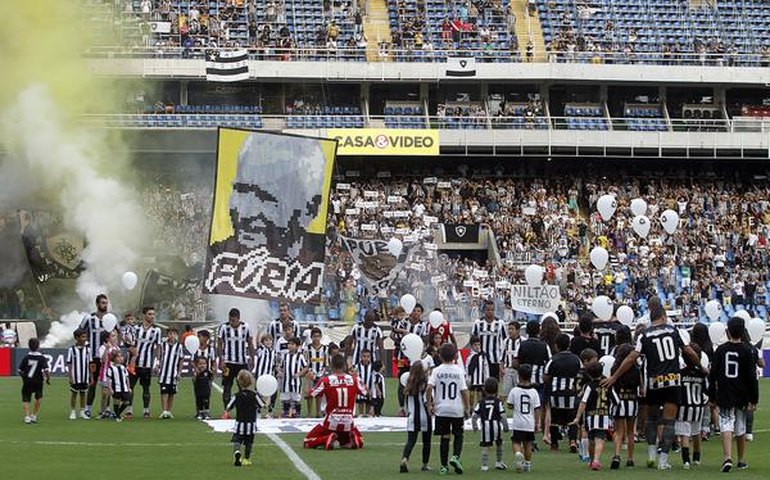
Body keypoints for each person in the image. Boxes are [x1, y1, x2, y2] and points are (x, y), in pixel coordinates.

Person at [604, 297, 704, 470]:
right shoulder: (674, 331)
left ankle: (651, 454)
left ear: (651, 319)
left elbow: (631, 358)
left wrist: (614, 377)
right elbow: (689, 352)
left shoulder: (644, 335)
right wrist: (701, 366)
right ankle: (663, 460)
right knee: (669, 422)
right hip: (673, 380)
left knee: (651, 420)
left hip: (654, 382)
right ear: (664, 317)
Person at [708, 317, 759, 472]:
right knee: (740, 426)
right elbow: (752, 376)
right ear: (743, 331)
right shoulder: (747, 350)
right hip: (742, 393)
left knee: (726, 423)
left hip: (725, 392)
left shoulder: (721, 350)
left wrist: (711, 396)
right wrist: (754, 398)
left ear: (727, 331)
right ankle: (742, 459)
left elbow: (713, 374)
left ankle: (727, 457)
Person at [304, 354, 367, 450]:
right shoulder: (354, 380)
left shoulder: (326, 380)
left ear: (332, 366)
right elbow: (367, 393)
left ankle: (326, 439)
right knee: (358, 439)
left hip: (331, 421)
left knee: (307, 441)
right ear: (345, 366)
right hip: (348, 421)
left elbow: (308, 395)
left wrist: (308, 380)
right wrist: (358, 379)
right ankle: (353, 440)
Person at [426, 343, 470, 475]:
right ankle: (456, 456)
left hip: (441, 409)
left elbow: (429, 388)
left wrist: (430, 404)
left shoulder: (437, 370)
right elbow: (464, 390)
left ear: (439, 356)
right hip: (456, 408)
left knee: (444, 437)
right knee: (458, 435)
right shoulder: (458, 371)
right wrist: (467, 407)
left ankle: (444, 466)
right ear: (455, 355)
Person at [543, 333, 581, 453]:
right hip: (571, 392)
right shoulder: (576, 359)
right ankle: (573, 441)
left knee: (554, 419)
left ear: (557, 346)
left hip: (556, 393)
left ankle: (554, 444)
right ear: (569, 345)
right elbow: (581, 373)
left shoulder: (553, 360)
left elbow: (545, 376)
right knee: (572, 418)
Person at [572, 362, 612, 471]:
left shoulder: (588, 386)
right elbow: (615, 401)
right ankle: (596, 460)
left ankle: (591, 460)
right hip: (603, 416)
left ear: (589, 375)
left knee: (591, 440)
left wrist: (577, 416)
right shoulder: (607, 384)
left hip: (590, 416)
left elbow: (583, 402)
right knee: (600, 439)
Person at [218, 308, 255, 415]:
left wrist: (253, 358)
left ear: (238, 318)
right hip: (228, 363)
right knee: (227, 387)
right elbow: (220, 344)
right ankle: (226, 411)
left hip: (241, 363)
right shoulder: (224, 327)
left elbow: (250, 343)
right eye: (230, 319)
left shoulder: (245, 327)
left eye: (233, 320)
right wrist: (221, 359)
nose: (231, 322)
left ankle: (243, 410)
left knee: (243, 388)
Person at [609, 343, 640, 469]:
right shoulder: (636, 370)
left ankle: (616, 455)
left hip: (619, 401)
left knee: (619, 431)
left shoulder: (614, 368)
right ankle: (630, 459)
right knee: (631, 432)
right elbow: (640, 387)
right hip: (632, 400)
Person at [676, 343, 706, 470]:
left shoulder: (680, 374)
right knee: (696, 433)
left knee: (684, 434)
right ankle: (697, 457)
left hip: (684, 407)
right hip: (697, 408)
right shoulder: (701, 374)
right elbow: (705, 390)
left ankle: (686, 460)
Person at [226, 370, 265, 467]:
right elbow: (261, 405)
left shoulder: (236, 396)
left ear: (239, 382)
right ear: (251, 382)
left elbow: (228, 407)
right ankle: (246, 459)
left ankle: (237, 452)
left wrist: (228, 410)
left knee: (237, 440)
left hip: (240, 423)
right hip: (251, 424)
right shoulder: (254, 395)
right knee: (249, 442)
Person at [79, 294, 109, 418]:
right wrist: (84, 345)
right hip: (93, 357)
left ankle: (106, 410)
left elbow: (118, 333)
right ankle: (88, 409)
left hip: (107, 358)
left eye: (106, 303)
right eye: (103, 303)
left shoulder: (110, 318)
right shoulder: (89, 318)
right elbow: (79, 332)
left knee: (107, 384)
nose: (105, 305)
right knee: (92, 383)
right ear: (97, 304)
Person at [507, 364, 540, 472]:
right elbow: (537, 409)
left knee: (516, 442)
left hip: (518, 422)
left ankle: (517, 453)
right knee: (528, 444)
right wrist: (537, 423)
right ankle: (527, 464)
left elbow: (509, 405)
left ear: (519, 376)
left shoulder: (515, 390)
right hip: (529, 422)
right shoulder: (534, 392)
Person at [400, 362, 432, 473]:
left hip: (412, 416)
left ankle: (405, 459)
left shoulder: (408, 383)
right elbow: (427, 400)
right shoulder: (426, 383)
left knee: (411, 441)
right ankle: (425, 464)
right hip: (425, 417)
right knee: (426, 441)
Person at [131, 306, 162, 418]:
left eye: (153, 314)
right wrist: (131, 358)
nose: (152, 316)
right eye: (149, 314)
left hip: (147, 364)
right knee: (130, 387)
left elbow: (158, 346)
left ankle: (146, 410)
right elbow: (131, 345)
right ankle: (129, 410)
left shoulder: (156, 330)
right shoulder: (136, 329)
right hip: (134, 364)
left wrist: (157, 361)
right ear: (144, 315)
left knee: (146, 388)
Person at [472, 377, 508, 471]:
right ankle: (499, 462)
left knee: (485, 447)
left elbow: (474, 416)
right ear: (496, 390)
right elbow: (503, 415)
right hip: (496, 426)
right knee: (499, 444)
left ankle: (484, 465)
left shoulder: (481, 402)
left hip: (485, 427)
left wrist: (474, 425)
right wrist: (505, 426)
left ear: (484, 389)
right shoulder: (498, 402)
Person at [471, 300, 506, 380]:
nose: (490, 312)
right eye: (488, 310)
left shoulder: (500, 323)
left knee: (494, 384)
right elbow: (473, 340)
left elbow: (505, 341)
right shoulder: (478, 323)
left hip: (495, 359)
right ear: (484, 311)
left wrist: (502, 359)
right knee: (482, 382)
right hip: (481, 359)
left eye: (492, 310)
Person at [18, 337, 50, 424]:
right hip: (38, 380)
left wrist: (23, 378)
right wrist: (48, 378)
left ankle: (27, 416)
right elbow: (46, 370)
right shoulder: (42, 358)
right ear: (38, 346)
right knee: (38, 396)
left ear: (29, 346)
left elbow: (20, 370)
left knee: (26, 398)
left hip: (28, 380)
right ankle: (34, 415)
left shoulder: (26, 357)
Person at [158, 327, 184, 419]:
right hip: (164, 373)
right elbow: (159, 356)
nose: (172, 335)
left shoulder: (179, 346)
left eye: (173, 333)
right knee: (164, 392)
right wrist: (157, 365)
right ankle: (164, 411)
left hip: (173, 373)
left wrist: (179, 372)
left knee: (171, 393)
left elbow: (181, 359)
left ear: (176, 335)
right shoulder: (162, 345)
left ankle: (169, 411)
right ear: (167, 335)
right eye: (170, 333)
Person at [279, 337, 308, 417]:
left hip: (296, 382)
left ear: (297, 346)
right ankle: (286, 412)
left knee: (296, 397)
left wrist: (299, 373)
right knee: (286, 397)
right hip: (286, 381)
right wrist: (280, 372)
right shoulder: (285, 356)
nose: (290, 346)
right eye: (289, 344)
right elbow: (281, 367)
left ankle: (297, 413)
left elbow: (305, 367)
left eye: (292, 344)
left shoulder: (300, 356)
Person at [66, 328, 90, 420]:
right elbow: (69, 363)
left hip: (85, 376)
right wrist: (70, 376)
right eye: (83, 337)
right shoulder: (72, 350)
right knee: (74, 393)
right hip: (76, 376)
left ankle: (82, 411)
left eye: (85, 337)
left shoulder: (88, 349)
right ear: (77, 338)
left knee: (83, 393)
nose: (85, 339)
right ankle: (72, 411)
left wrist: (91, 376)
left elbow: (90, 363)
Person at [305, 327, 329, 417]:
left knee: (319, 393)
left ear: (321, 337)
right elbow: (305, 362)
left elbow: (326, 363)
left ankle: (318, 412)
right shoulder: (307, 348)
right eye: (314, 336)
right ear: (311, 337)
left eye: (318, 336)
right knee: (309, 393)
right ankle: (309, 412)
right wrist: (309, 372)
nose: (316, 338)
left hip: (321, 374)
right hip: (310, 373)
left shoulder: (325, 348)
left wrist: (323, 373)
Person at [253, 333, 277, 416]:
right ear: (263, 342)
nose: (269, 342)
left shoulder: (273, 351)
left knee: (270, 394)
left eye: (270, 340)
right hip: (260, 375)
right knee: (258, 394)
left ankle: (269, 411)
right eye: (266, 340)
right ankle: (258, 411)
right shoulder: (261, 350)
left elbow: (274, 364)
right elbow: (257, 343)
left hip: (269, 377)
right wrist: (259, 332)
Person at [105, 350, 132, 421]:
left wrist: (129, 387)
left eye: (121, 357)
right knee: (116, 402)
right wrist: (110, 388)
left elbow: (127, 378)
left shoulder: (123, 367)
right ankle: (117, 416)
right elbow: (109, 379)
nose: (120, 358)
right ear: (114, 358)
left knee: (127, 402)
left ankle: (117, 414)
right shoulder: (111, 368)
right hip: (116, 388)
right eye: (118, 357)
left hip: (124, 388)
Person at [465, 335, 490, 407]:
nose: (477, 346)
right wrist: (467, 378)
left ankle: (479, 408)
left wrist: (486, 377)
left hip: (480, 380)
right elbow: (467, 367)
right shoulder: (470, 356)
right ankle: (471, 409)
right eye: (475, 345)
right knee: (471, 395)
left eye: (479, 344)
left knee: (480, 395)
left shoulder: (482, 356)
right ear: (471, 346)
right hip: (472, 379)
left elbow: (486, 367)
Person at [501, 321, 521, 398]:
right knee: (505, 394)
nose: (510, 331)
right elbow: (502, 357)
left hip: (518, 371)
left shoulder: (523, 341)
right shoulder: (505, 341)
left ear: (518, 330)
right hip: (508, 369)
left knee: (518, 392)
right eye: (509, 329)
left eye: (512, 329)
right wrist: (502, 369)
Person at [356, 349, 374, 416]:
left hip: (369, 389)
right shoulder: (357, 366)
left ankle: (367, 415)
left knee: (368, 403)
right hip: (360, 390)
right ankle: (360, 414)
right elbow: (356, 377)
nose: (366, 358)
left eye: (368, 356)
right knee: (360, 401)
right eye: (364, 356)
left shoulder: (372, 367)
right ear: (360, 357)